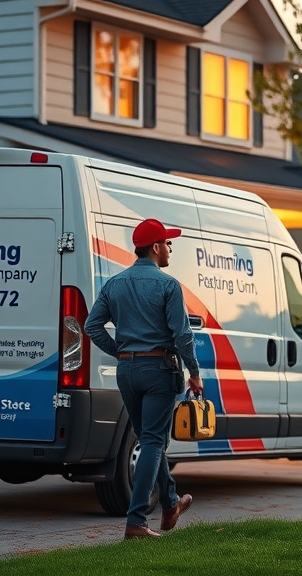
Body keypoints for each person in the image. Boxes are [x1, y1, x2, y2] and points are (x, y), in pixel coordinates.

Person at [84, 217, 203, 540]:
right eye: (167, 243)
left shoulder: (114, 284)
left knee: (149, 438)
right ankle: (136, 521)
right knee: (152, 441)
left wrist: (121, 352)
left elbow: (91, 326)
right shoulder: (167, 285)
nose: (169, 249)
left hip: (127, 372)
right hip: (159, 370)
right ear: (154, 247)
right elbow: (182, 335)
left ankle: (170, 502)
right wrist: (194, 373)